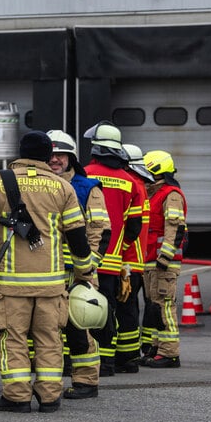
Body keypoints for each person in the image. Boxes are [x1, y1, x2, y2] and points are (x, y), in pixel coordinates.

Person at [0, 131, 94, 413]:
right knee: (49, 340)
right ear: (48, 156)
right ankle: (49, 397)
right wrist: (85, 273)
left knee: (14, 339)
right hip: (51, 284)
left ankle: (17, 396)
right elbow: (78, 237)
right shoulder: (63, 188)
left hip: (13, 284)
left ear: (19, 153)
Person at [45, 130, 110, 400]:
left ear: (71, 157)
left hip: (76, 273)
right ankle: (47, 380)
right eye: (50, 154)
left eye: (60, 154)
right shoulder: (37, 186)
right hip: (45, 273)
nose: (55, 159)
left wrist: (88, 269)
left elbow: (101, 231)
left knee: (79, 329)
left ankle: (86, 382)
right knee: (45, 329)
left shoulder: (87, 188)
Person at [82, 121, 145, 376]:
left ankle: (85, 360)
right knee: (108, 311)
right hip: (112, 263)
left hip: (84, 259)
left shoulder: (83, 175)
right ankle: (107, 363)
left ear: (96, 148)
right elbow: (134, 227)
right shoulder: (131, 182)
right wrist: (119, 250)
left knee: (81, 309)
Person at [141, 150, 188, 368]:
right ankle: (157, 348)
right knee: (154, 307)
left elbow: (175, 228)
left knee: (165, 306)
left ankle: (170, 354)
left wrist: (165, 257)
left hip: (162, 263)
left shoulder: (171, 195)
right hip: (151, 261)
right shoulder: (152, 194)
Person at [115, 143, 153, 373]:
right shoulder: (140, 185)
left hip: (127, 260)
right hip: (136, 260)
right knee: (130, 310)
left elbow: (131, 227)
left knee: (125, 310)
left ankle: (127, 358)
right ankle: (130, 355)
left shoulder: (131, 186)